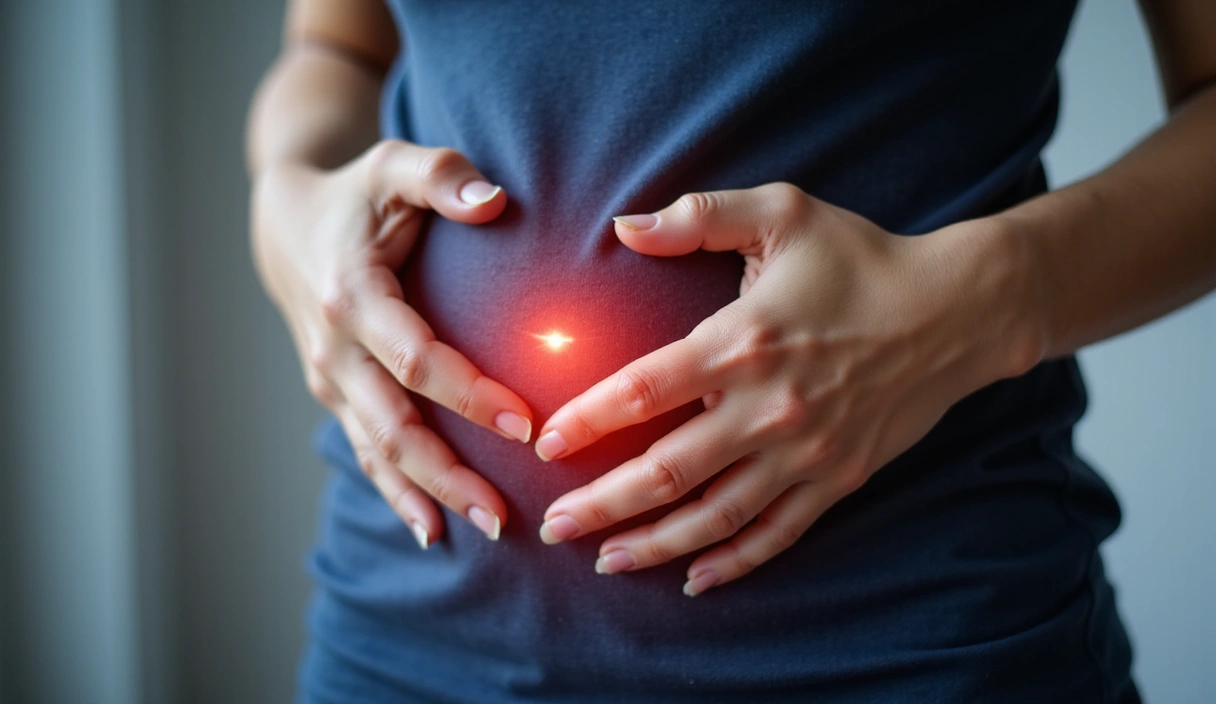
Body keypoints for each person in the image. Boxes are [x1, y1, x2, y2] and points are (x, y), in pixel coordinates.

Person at [246, 0, 1215, 701]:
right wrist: (287, 195)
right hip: (406, 624)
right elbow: (332, 42)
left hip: (902, 636)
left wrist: (995, 298)